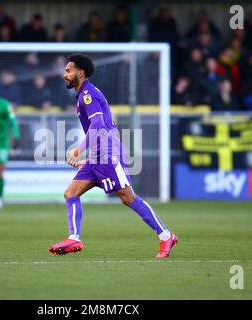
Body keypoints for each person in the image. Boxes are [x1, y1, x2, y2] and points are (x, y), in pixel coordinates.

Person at [48, 54, 178, 258]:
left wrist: (77, 150)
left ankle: (166, 235)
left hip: (109, 154)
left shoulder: (88, 94)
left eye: (68, 70)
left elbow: (98, 124)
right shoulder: (83, 94)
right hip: (97, 155)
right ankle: (74, 238)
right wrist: (90, 157)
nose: (65, 74)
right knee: (70, 194)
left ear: (79, 73)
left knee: (128, 198)